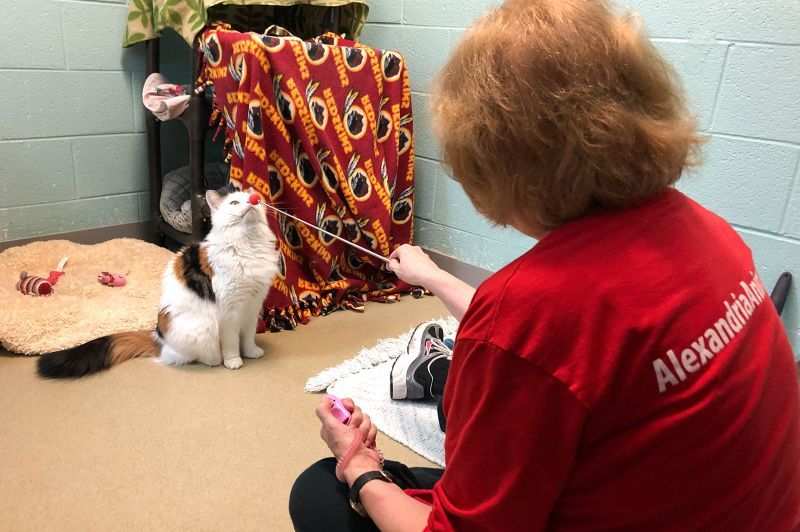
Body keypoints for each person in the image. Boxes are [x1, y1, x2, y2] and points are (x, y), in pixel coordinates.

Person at [289, 0, 800, 529]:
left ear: (491, 155)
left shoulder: (528, 314)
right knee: (453, 415)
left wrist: (361, 469)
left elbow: (534, 338)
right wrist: (435, 276)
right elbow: (557, 348)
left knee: (321, 492)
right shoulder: (711, 232)